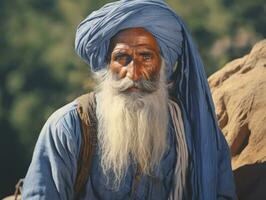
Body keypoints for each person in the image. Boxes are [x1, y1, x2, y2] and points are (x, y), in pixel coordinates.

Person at [22, 0, 237, 199]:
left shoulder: (195, 133)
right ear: (106, 65)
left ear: (163, 65)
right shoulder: (68, 128)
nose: (133, 73)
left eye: (145, 57)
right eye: (122, 58)